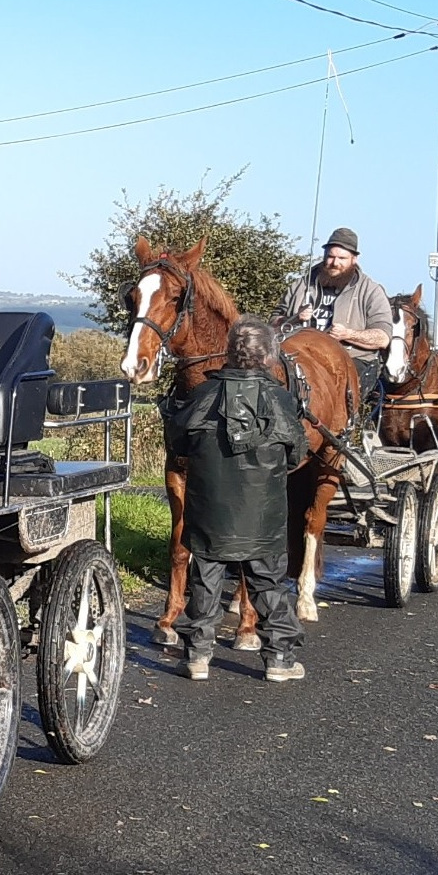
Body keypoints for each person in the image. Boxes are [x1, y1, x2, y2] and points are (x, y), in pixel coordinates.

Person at [168, 315, 309, 682]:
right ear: (268, 356)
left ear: (229, 353)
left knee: (206, 578)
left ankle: (198, 657)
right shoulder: (281, 399)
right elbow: (296, 453)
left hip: (210, 508)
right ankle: (278, 658)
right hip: (263, 510)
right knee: (268, 582)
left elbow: (178, 443)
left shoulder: (202, 395)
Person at [272, 226, 392, 402]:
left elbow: (382, 338)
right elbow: (273, 321)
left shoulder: (371, 291)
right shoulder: (300, 286)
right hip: (297, 356)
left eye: (342, 258)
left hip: (348, 360)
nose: (335, 263)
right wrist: (294, 318)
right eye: (331, 256)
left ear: (354, 259)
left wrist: (348, 334)